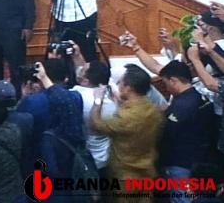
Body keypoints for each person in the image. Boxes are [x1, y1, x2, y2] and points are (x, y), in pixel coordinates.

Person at [90, 64, 164, 203]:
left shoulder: (126, 117)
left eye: (120, 83)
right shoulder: (154, 110)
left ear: (128, 87)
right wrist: (121, 102)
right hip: (147, 171)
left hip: (126, 176)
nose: (119, 86)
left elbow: (95, 125)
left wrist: (98, 100)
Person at [157, 61, 216, 203]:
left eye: (165, 83)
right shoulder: (200, 97)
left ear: (173, 80)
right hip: (199, 159)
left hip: (180, 162)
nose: (166, 88)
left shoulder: (181, 106)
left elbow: (167, 133)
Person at [34, 59, 86, 192]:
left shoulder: (35, 101)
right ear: (66, 78)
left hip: (51, 160)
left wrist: (44, 79)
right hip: (72, 157)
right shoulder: (76, 96)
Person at [70, 60, 117, 176]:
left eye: (82, 70)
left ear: (86, 80)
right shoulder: (113, 101)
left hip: (83, 159)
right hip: (106, 158)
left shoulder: (76, 95)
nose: (80, 69)